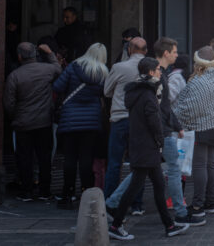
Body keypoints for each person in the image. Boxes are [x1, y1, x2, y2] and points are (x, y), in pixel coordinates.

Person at [108, 57, 190, 240]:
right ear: (151, 72)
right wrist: (160, 142)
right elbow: (154, 123)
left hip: (143, 148)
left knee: (159, 186)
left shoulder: (138, 92)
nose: (161, 73)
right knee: (134, 189)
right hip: (147, 149)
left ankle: (169, 225)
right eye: (158, 70)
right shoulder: (148, 95)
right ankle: (115, 225)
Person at [173, 46, 214, 219]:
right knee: (211, 164)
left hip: (200, 127)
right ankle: (211, 202)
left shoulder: (197, 82)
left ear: (199, 63)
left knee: (200, 165)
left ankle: (198, 205)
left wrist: (178, 121)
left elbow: (186, 108)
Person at [53, 42, 109, 209]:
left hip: (70, 118)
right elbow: (105, 93)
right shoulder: (103, 73)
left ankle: (67, 194)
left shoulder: (73, 67)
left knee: (69, 158)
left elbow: (57, 86)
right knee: (86, 158)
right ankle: (87, 192)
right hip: (92, 120)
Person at [4, 42, 61, 201]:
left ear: (19, 56)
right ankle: (45, 191)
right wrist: (50, 53)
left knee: (24, 158)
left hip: (22, 123)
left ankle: (26, 190)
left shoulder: (15, 75)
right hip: (44, 122)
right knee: (44, 157)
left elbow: (9, 103)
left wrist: (15, 116)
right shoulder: (47, 70)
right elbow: (59, 69)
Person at [103, 37, 149, 214]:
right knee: (138, 163)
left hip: (120, 118)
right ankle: (137, 203)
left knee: (115, 162)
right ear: (145, 50)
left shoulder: (119, 67)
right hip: (141, 121)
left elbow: (106, 91)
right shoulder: (151, 68)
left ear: (129, 50)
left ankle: (110, 202)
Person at [154, 37, 195, 225]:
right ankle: (179, 210)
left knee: (172, 168)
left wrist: (176, 125)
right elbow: (164, 102)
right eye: (175, 51)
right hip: (172, 127)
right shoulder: (175, 76)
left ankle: (178, 208)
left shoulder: (173, 77)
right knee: (175, 168)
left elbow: (165, 102)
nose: (176, 55)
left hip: (172, 127)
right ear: (166, 53)